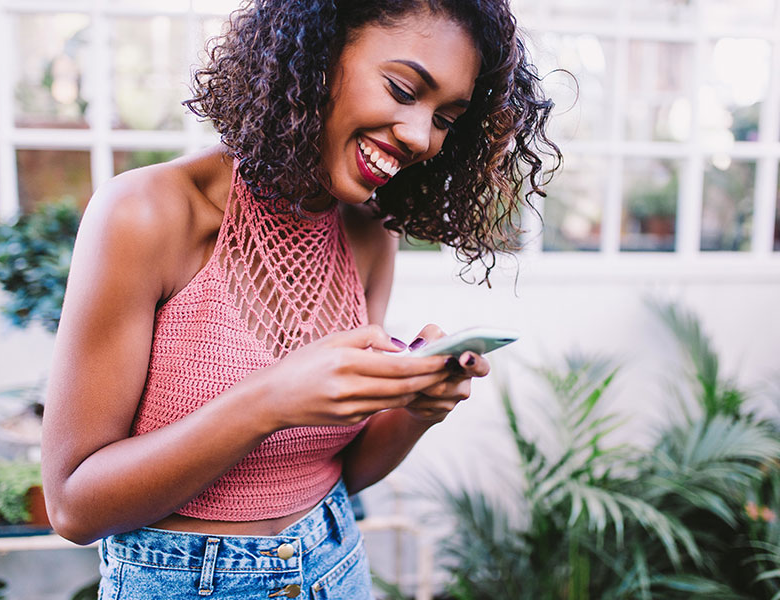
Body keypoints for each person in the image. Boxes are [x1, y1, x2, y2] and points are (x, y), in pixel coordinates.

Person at [41, 0, 560, 597]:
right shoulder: (147, 214)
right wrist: (271, 400)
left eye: (446, 118)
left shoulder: (368, 234)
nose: (420, 136)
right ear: (316, 54)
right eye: (401, 88)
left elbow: (339, 470)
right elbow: (74, 507)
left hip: (335, 564)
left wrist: (415, 407)